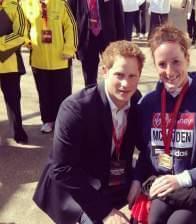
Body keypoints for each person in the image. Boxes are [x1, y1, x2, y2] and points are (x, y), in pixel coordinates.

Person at [127, 24, 196, 224]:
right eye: (162, 64)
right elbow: (146, 152)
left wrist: (182, 179)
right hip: (163, 184)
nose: (169, 71)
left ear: (187, 59)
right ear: (154, 65)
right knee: (154, 219)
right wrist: (136, 180)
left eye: (176, 61)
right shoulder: (148, 104)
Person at [33, 40, 145, 224]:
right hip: (75, 186)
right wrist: (105, 212)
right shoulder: (76, 108)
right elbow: (62, 169)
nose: (126, 84)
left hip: (114, 176)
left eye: (133, 76)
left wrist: (138, 180)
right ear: (104, 71)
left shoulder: (137, 99)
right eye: (119, 75)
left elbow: (146, 147)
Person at [21, 0, 78, 134]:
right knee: (44, 93)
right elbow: (22, 26)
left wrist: (69, 49)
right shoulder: (26, 4)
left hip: (60, 59)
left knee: (62, 94)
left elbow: (71, 26)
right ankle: (47, 120)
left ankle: (64, 121)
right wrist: (26, 40)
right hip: (38, 59)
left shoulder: (61, 3)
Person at [68, 0, 125, 86]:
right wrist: (73, 44)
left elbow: (119, 14)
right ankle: (91, 95)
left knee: (113, 69)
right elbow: (70, 17)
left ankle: (111, 94)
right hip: (86, 37)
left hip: (108, 37)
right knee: (89, 74)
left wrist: (121, 42)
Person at [0, 0, 28, 143]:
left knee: (13, 100)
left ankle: (18, 129)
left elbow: (21, 33)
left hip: (9, 65)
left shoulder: (14, 7)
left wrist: (0, 44)